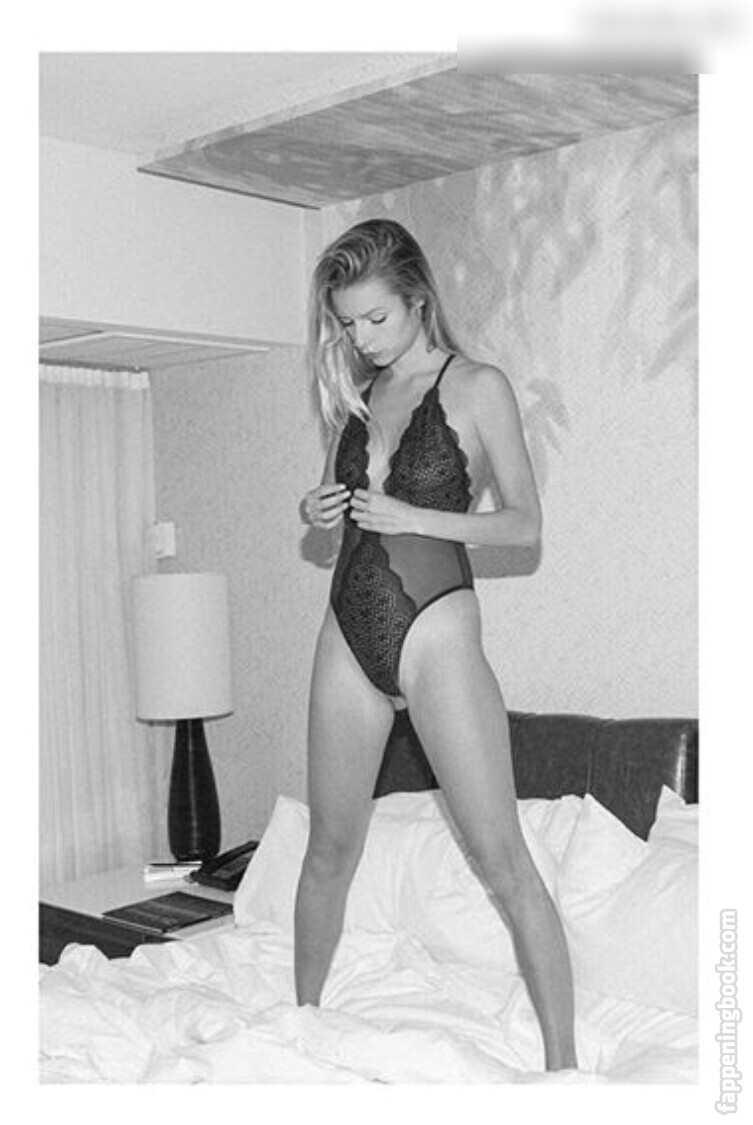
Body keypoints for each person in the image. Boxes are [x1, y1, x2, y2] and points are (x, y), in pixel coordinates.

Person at [296, 218, 575, 1071]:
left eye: (375, 318)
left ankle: (564, 1069)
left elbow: (523, 524)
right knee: (326, 849)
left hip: (436, 634)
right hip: (348, 631)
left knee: (502, 861)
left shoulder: (477, 385)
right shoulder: (355, 396)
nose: (360, 337)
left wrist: (416, 516)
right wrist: (317, 508)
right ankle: (299, 1031)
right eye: (347, 323)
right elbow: (348, 509)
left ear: (417, 298)